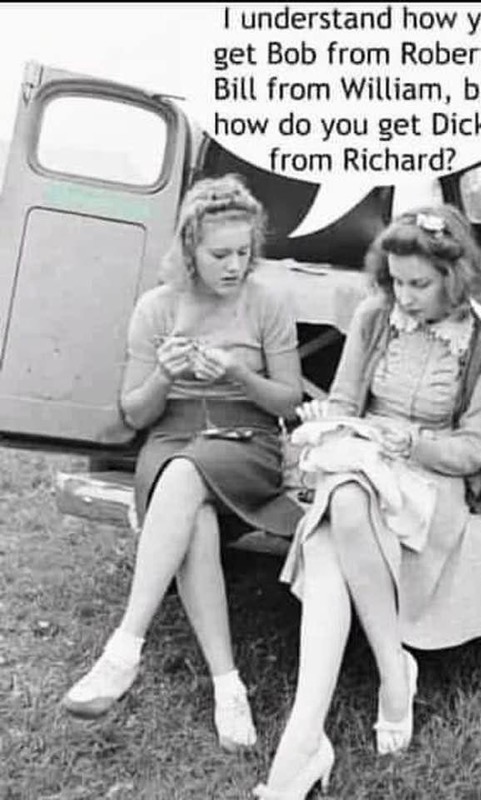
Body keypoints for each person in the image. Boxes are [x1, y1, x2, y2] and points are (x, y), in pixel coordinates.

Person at [253, 205, 481, 798]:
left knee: (336, 516)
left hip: (431, 477)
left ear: (455, 277)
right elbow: (347, 403)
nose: (404, 296)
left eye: (419, 284)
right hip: (363, 457)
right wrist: (327, 415)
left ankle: (321, 729)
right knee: (347, 494)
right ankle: (361, 695)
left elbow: (474, 449)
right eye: (396, 281)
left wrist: (413, 443)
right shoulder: (376, 315)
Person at [62, 174, 304, 750]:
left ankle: (124, 648)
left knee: (185, 475)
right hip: (172, 436)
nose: (234, 265)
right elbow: (136, 412)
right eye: (220, 254)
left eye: (244, 252)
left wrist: (239, 373)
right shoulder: (158, 307)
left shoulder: (266, 301)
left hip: (246, 441)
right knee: (191, 511)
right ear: (190, 249)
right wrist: (165, 376)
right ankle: (228, 686)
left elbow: (289, 402)